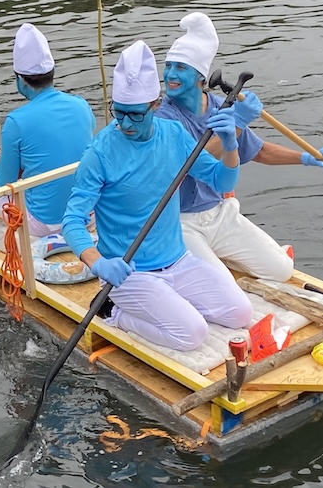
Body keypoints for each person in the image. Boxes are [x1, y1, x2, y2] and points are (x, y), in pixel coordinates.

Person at [62, 40, 252, 352]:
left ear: (155, 104)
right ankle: (116, 312)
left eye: (135, 115)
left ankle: (167, 304)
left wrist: (230, 145)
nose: (124, 124)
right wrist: (98, 264)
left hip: (178, 260)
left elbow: (221, 180)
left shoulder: (174, 135)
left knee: (240, 313)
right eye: (118, 113)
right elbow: (72, 221)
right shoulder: (99, 153)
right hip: (127, 271)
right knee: (192, 334)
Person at [154, 12, 323, 282]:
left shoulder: (219, 105)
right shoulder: (162, 116)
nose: (170, 74)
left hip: (219, 212)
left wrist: (307, 158)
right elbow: (194, 161)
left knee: (281, 270)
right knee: (221, 286)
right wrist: (238, 122)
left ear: (200, 78)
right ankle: (195, 267)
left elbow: (258, 151)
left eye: (180, 68)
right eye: (169, 66)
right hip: (178, 221)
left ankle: (216, 257)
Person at [0, 23, 96, 237]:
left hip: (43, 224)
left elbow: (3, 181)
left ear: (20, 79)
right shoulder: (81, 105)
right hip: (85, 213)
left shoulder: (16, 121)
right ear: (52, 72)